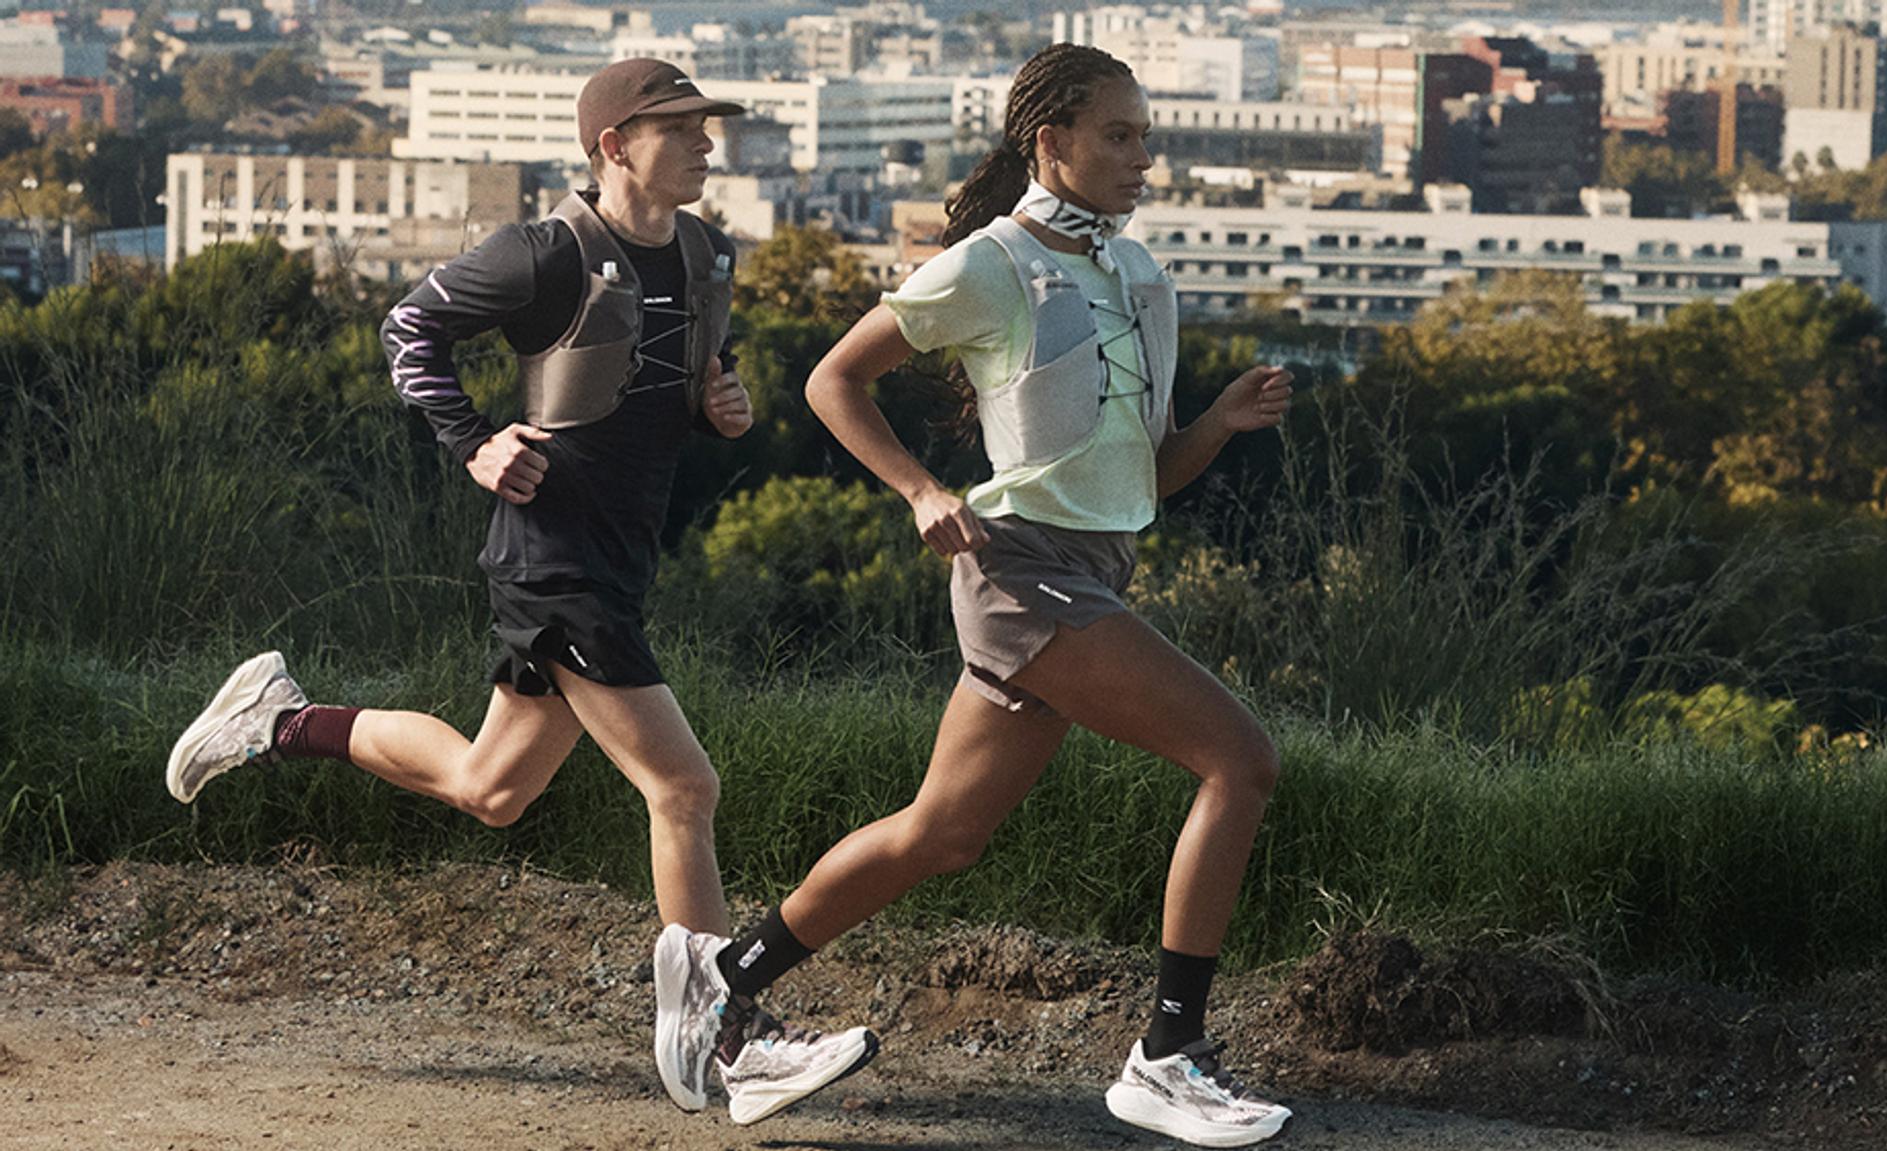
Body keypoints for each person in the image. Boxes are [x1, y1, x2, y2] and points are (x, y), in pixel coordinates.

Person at [161, 58, 873, 1118]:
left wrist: (716, 400)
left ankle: (281, 717)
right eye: (680, 128)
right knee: (684, 788)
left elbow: (667, 387)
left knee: (492, 789)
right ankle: (727, 1036)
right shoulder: (541, 254)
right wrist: (473, 439)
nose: (706, 145)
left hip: (617, 559)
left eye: (705, 127)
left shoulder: (706, 252)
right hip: (552, 559)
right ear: (613, 144)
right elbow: (409, 331)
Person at [654, 43, 1295, 1146]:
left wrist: (1217, 427)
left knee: (940, 833)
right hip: (1019, 574)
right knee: (1238, 758)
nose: (1145, 158)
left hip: (1090, 565)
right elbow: (830, 379)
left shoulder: (1141, 278)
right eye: (1121, 135)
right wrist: (915, 489)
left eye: (1146, 136)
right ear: (1051, 143)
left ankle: (722, 984)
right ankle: (1166, 1052)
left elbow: (1142, 481)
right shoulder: (987, 266)